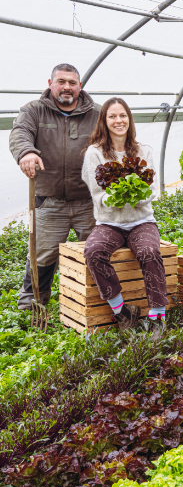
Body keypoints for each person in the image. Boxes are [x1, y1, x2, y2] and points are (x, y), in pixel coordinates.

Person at [9, 64, 100, 309]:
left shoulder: (97, 113)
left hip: (89, 202)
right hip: (48, 201)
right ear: (50, 83)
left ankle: (96, 306)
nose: (67, 87)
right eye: (61, 81)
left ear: (80, 86)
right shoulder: (34, 111)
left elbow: (117, 139)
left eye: (72, 82)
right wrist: (26, 152)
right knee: (42, 255)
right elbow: (20, 133)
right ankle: (32, 305)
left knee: (96, 253)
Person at [81, 98, 168, 332]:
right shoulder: (94, 153)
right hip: (110, 223)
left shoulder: (144, 151)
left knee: (150, 252)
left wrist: (134, 197)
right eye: (112, 116)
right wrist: (116, 197)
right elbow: (97, 193)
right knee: (93, 252)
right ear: (104, 121)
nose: (118, 121)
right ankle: (121, 310)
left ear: (129, 119)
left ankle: (157, 317)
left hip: (141, 221)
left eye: (123, 116)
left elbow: (152, 190)